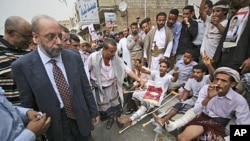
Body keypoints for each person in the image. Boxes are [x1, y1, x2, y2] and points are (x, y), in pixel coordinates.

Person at [11, 15, 99, 141]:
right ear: (36, 38)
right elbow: (28, 103)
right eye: (50, 37)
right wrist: (36, 132)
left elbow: (85, 87)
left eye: (59, 36)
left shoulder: (74, 57)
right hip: (53, 124)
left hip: (80, 117)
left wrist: (93, 111)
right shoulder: (22, 66)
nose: (58, 42)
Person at [167, 67, 250, 141]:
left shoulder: (239, 101)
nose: (218, 83)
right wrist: (208, 97)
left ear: (232, 84)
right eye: (217, 79)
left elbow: (244, 128)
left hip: (219, 124)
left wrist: (226, 139)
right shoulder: (206, 88)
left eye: (223, 81)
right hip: (202, 118)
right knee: (183, 138)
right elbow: (196, 110)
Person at [87, 38, 144, 129]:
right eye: (111, 51)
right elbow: (86, 70)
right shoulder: (93, 57)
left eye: (115, 51)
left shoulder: (115, 58)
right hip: (99, 88)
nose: (114, 54)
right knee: (105, 107)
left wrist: (139, 79)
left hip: (111, 86)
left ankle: (118, 119)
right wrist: (88, 84)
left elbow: (127, 69)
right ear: (104, 49)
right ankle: (110, 119)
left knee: (116, 104)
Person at [153, 56, 214, 126]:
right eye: (194, 72)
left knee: (188, 110)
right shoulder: (191, 79)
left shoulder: (207, 78)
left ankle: (165, 120)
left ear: (203, 73)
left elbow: (213, 75)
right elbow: (186, 91)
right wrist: (182, 100)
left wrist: (209, 65)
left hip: (206, 100)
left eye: (198, 72)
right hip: (195, 99)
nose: (195, 74)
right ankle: (163, 120)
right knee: (179, 105)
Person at [117, 60, 179, 125]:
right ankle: (141, 108)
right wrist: (139, 67)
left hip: (158, 96)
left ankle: (130, 119)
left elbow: (174, 80)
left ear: (167, 69)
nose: (161, 68)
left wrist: (176, 73)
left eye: (164, 67)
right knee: (135, 94)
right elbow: (144, 71)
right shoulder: (156, 72)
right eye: (160, 66)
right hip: (151, 92)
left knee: (146, 104)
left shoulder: (168, 76)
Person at [0, 16, 32, 105]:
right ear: (10, 32)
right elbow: (18, 74)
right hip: (12, 113)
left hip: (30, 110)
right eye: (27, 37)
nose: (30, 41)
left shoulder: (26, 49)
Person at [213, 0, 250, 74]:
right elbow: (226, 36)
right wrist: (216, 57)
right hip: (227, 57)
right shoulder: (237, 12)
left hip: (242, 59)